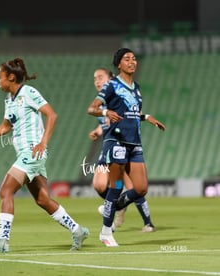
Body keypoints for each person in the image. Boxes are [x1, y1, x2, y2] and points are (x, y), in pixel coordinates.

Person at [0, 57, 89, 253]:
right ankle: (78, 230)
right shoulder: (9, 100)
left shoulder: (29, 92)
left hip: (33, 152)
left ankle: (2, 240)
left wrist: (43, 142)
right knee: (43, 199)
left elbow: (52, 115)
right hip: (30, 155)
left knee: (5, 191)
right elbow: (6, 127)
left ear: (10, 77)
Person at [87, 48, 165, 247]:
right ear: (118, 64)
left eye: (134, 58)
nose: (132, 62)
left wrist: (147, 117)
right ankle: (106, 232)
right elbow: (92, 108)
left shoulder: (136, 87)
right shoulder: (112, 85)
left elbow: (130, 112)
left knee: (141, 188)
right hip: (116, 141)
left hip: (134, 142)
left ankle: (112, 208)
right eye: (127, 59)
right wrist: (106, 111)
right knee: (117, 186)